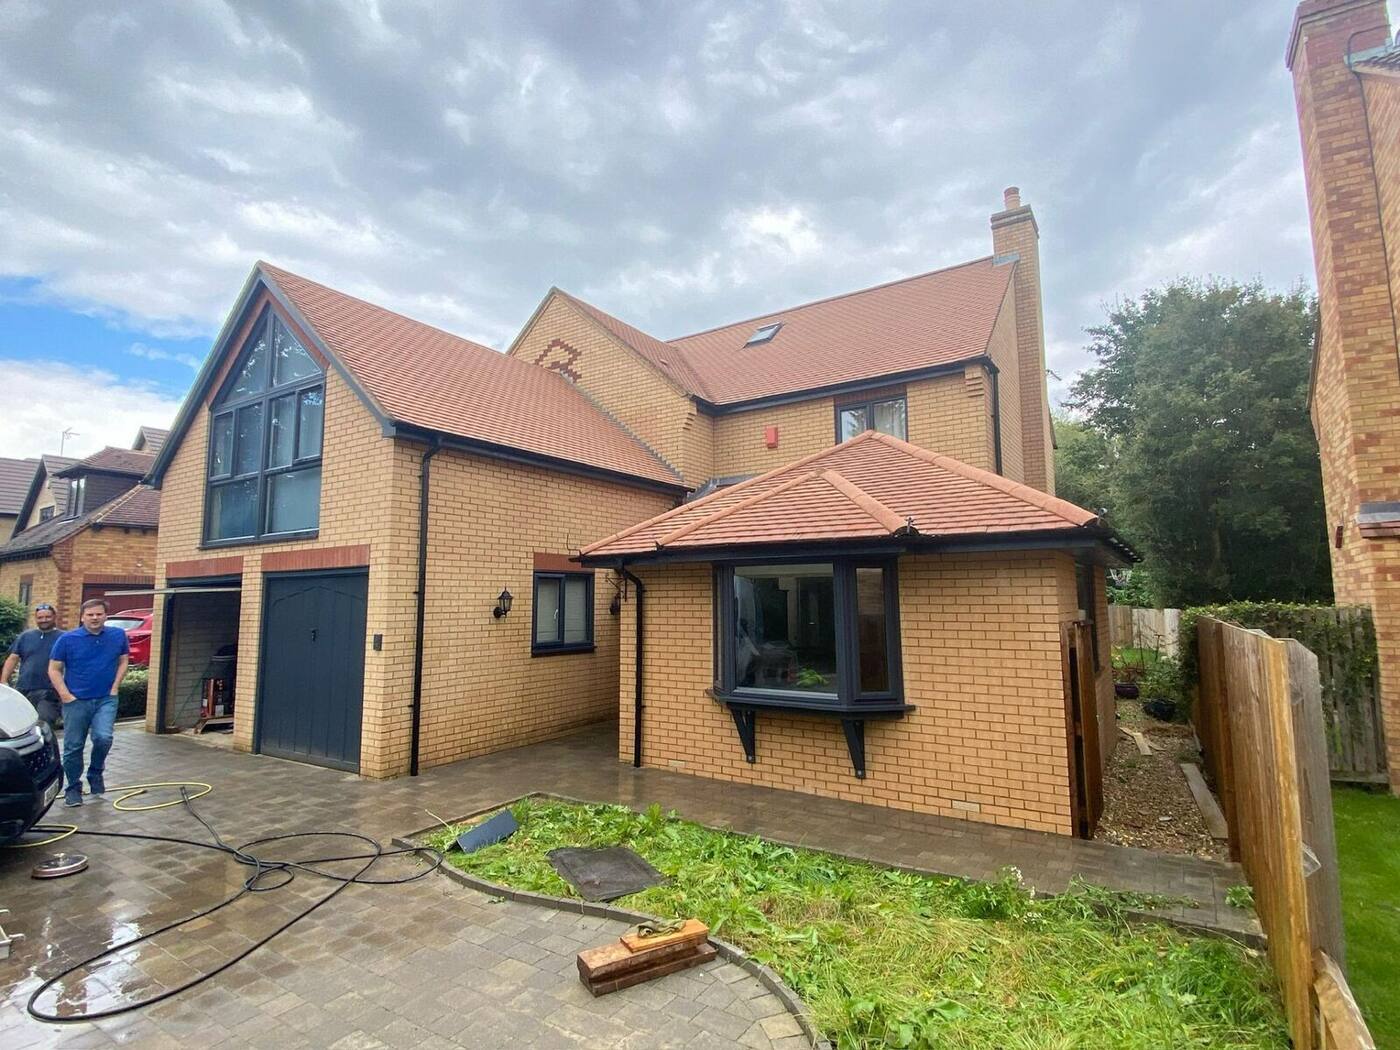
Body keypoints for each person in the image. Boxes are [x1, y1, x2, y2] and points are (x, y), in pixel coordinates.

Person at [48, 598, 129, 808]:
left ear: (105, 615)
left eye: (99, 614)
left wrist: (115, 687)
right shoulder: (67, 640)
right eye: (90, 614)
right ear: (82, 617)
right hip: (76, 701)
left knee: (103, 738)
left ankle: (95, 772)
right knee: (73, 746)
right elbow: (54, 669)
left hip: (105, 699)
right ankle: (73, 787)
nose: (95, 618)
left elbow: (123, 660)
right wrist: (66, 696)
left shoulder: (117, 635)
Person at [2, 603, 63, 729]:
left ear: (55, 617)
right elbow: (12, 658)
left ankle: (46, 749)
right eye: (40, 617)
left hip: (50, 691)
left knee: (44, 724)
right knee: (20, 726)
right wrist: (3, 681)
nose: (44, 620)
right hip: (24, 689)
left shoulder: (63, 637)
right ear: (35, 618)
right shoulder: (25, 636)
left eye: (47, 617)